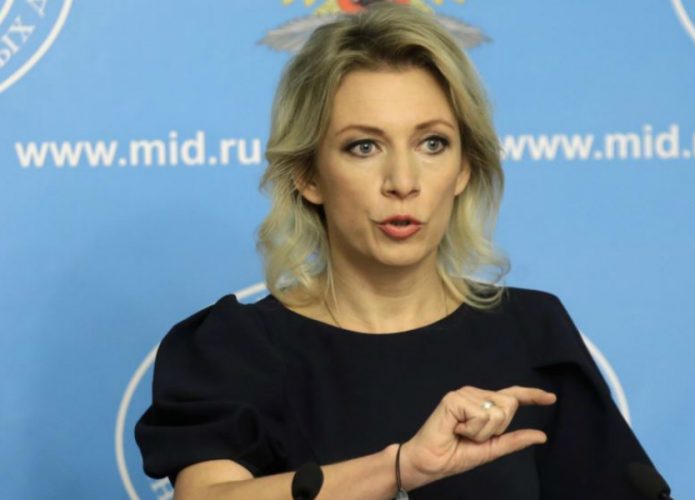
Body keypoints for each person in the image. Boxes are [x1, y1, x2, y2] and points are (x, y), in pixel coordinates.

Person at [135, 3, 658, 499]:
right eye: (364, 146)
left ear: (464, 167)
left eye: (432, 143)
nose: (403, 181)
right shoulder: (234, 347)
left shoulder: (532, 332)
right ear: (308, 175)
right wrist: (401, 468)